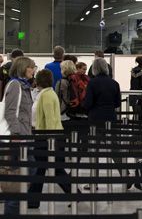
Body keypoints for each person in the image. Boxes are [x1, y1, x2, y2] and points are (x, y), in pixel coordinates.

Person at [28, 69, 73, 209]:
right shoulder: (46, 93)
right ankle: (33, 201)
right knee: (48, 169)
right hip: (47, 137)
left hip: (45, 138)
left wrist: (49, 139)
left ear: (38, 80)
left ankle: (33, 201)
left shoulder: (46, 95)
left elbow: (50, 119)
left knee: (43, 169)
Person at [3, 56, 36, 215]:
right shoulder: (15, 85)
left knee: (28, 171)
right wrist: (17, 133)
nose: (33, 69)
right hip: (17, 138)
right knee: (20, 175)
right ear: (23, 67)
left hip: (24, 136)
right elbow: (10, 112)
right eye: (31, 67)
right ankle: (12, 207)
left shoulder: (24, 86)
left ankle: (14, 204)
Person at [83, 58, 121, 122]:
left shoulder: (92, 83)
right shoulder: (114, 83)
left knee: (95, 132)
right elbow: (117, 103)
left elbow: (88, 103)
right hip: (111, 115)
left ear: (94, 68)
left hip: (95, 115)